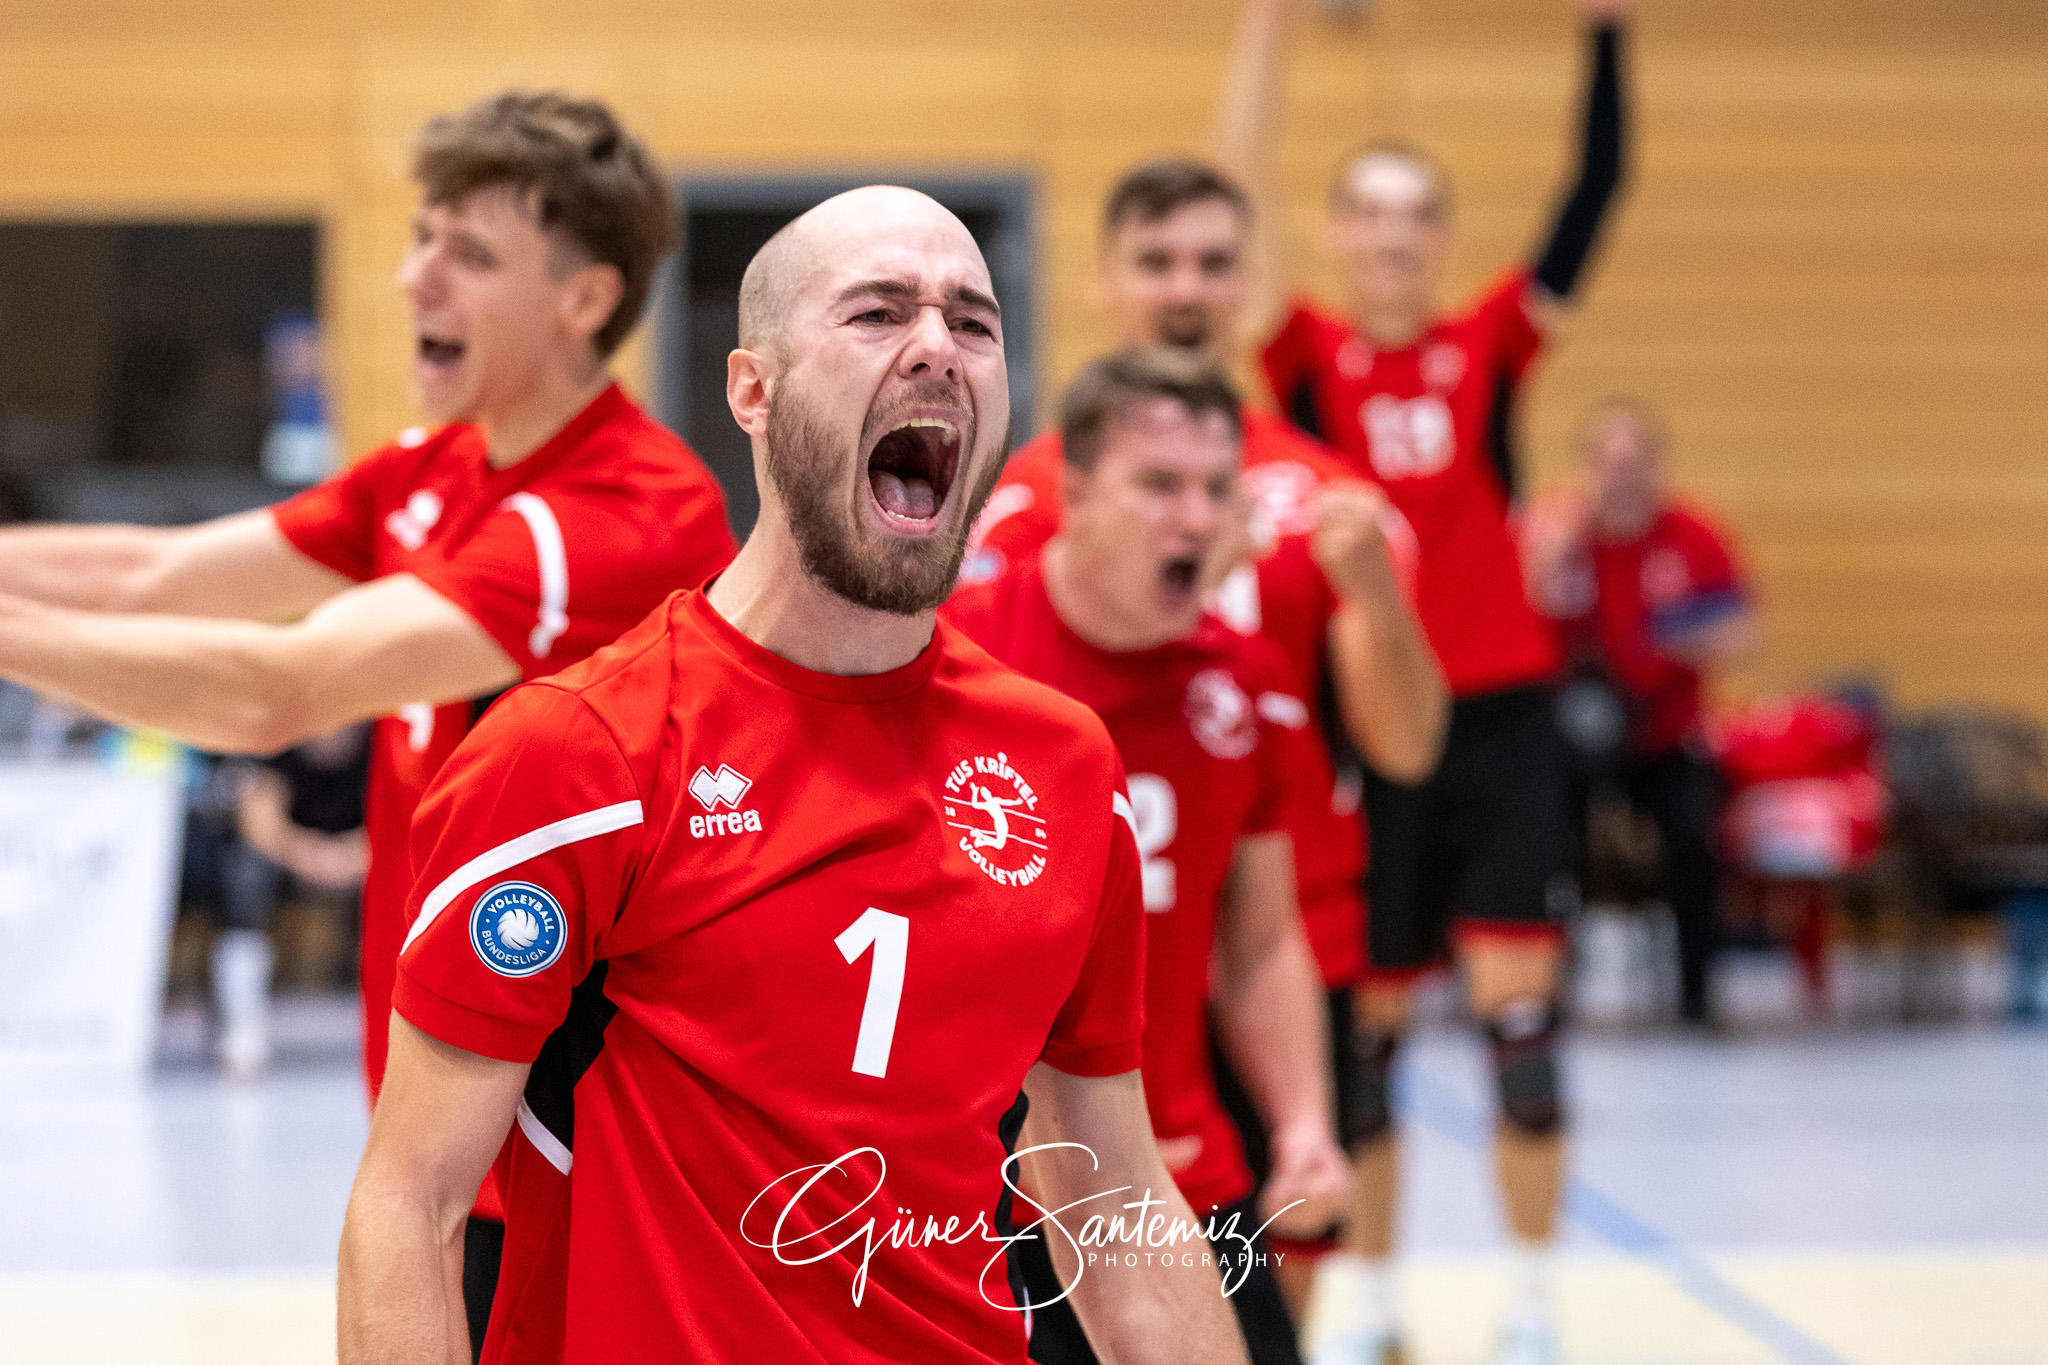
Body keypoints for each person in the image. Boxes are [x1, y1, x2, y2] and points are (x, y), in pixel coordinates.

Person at [339, 187, 1254, 1365]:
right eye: (877, 312)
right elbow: (406, 1207)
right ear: (752, 392)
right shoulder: (577, 755)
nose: (937, 343)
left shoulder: (1065, 768)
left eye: (973, 324)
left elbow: (1109, 1192)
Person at [0, 90, 737, 1345]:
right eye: (420, 237)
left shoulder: (620, 513)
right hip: (451, 1117)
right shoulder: (433, 467)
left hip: (576, 1146)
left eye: (469, 253)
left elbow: (273, 689)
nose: (414, 279)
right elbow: (154, 577)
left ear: (585, 301)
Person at [1217, 1, 1635, 1360]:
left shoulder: (1492, 347)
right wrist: (1265, 33)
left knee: (1522, 1036)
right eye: (1368, 213)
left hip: (1505, 722)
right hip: (1373, 728)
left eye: (1415, 215)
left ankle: (1532, 1298)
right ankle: (1377, 1300)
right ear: (1338, 233)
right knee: (1372, 1051)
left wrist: (1608, 39)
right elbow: (1232, 195)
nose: (1391, 235)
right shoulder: (1303, 358)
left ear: (1438, 238)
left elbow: (1594, 194)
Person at [965, 160, 1447, 1311]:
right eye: (1157, 261)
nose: (1186, 288)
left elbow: (1405, 747)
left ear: (1250, 285)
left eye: (1214, 263)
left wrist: (1373, 598)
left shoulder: (1329, 502)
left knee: (1267, 1275)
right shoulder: (1030, 501)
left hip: (1272, 934)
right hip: (1071, 961)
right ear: (1104, 281)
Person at [949, 349, 1356, 1364]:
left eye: (1217, 489)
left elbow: (1259, 941)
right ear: (1073, 495)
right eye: (1159, 485)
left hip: (1178, 1179)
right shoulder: (953, 663)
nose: (1196, 518)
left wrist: (1302, 1119)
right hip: (971, 1203)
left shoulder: (1243, 687)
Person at [1524, 399, 1757, 1025]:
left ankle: (1697, 995)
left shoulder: (1692, 536)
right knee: (1540, 836)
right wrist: (1542, 560)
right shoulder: (1557, 534)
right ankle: (1545, 992)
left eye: (1634, 463)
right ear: (1588, 468)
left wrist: (1677, 636)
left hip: (1661, 738)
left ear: (1656, 466)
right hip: (1570, 739)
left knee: (1693, 836)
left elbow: (1743, 627)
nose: (1621, 476)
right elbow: (1514, 623)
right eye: (1608, 463)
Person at [212, 722, 373, 1082]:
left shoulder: (383, 742)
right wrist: (305, 854)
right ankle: (242, 1030)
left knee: (413, 879)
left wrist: (358, 855)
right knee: (247, 874)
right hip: (294, 861)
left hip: (365, 858)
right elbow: (259, 821)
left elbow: (408, 814)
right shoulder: (281, 742)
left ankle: (406, 1028)